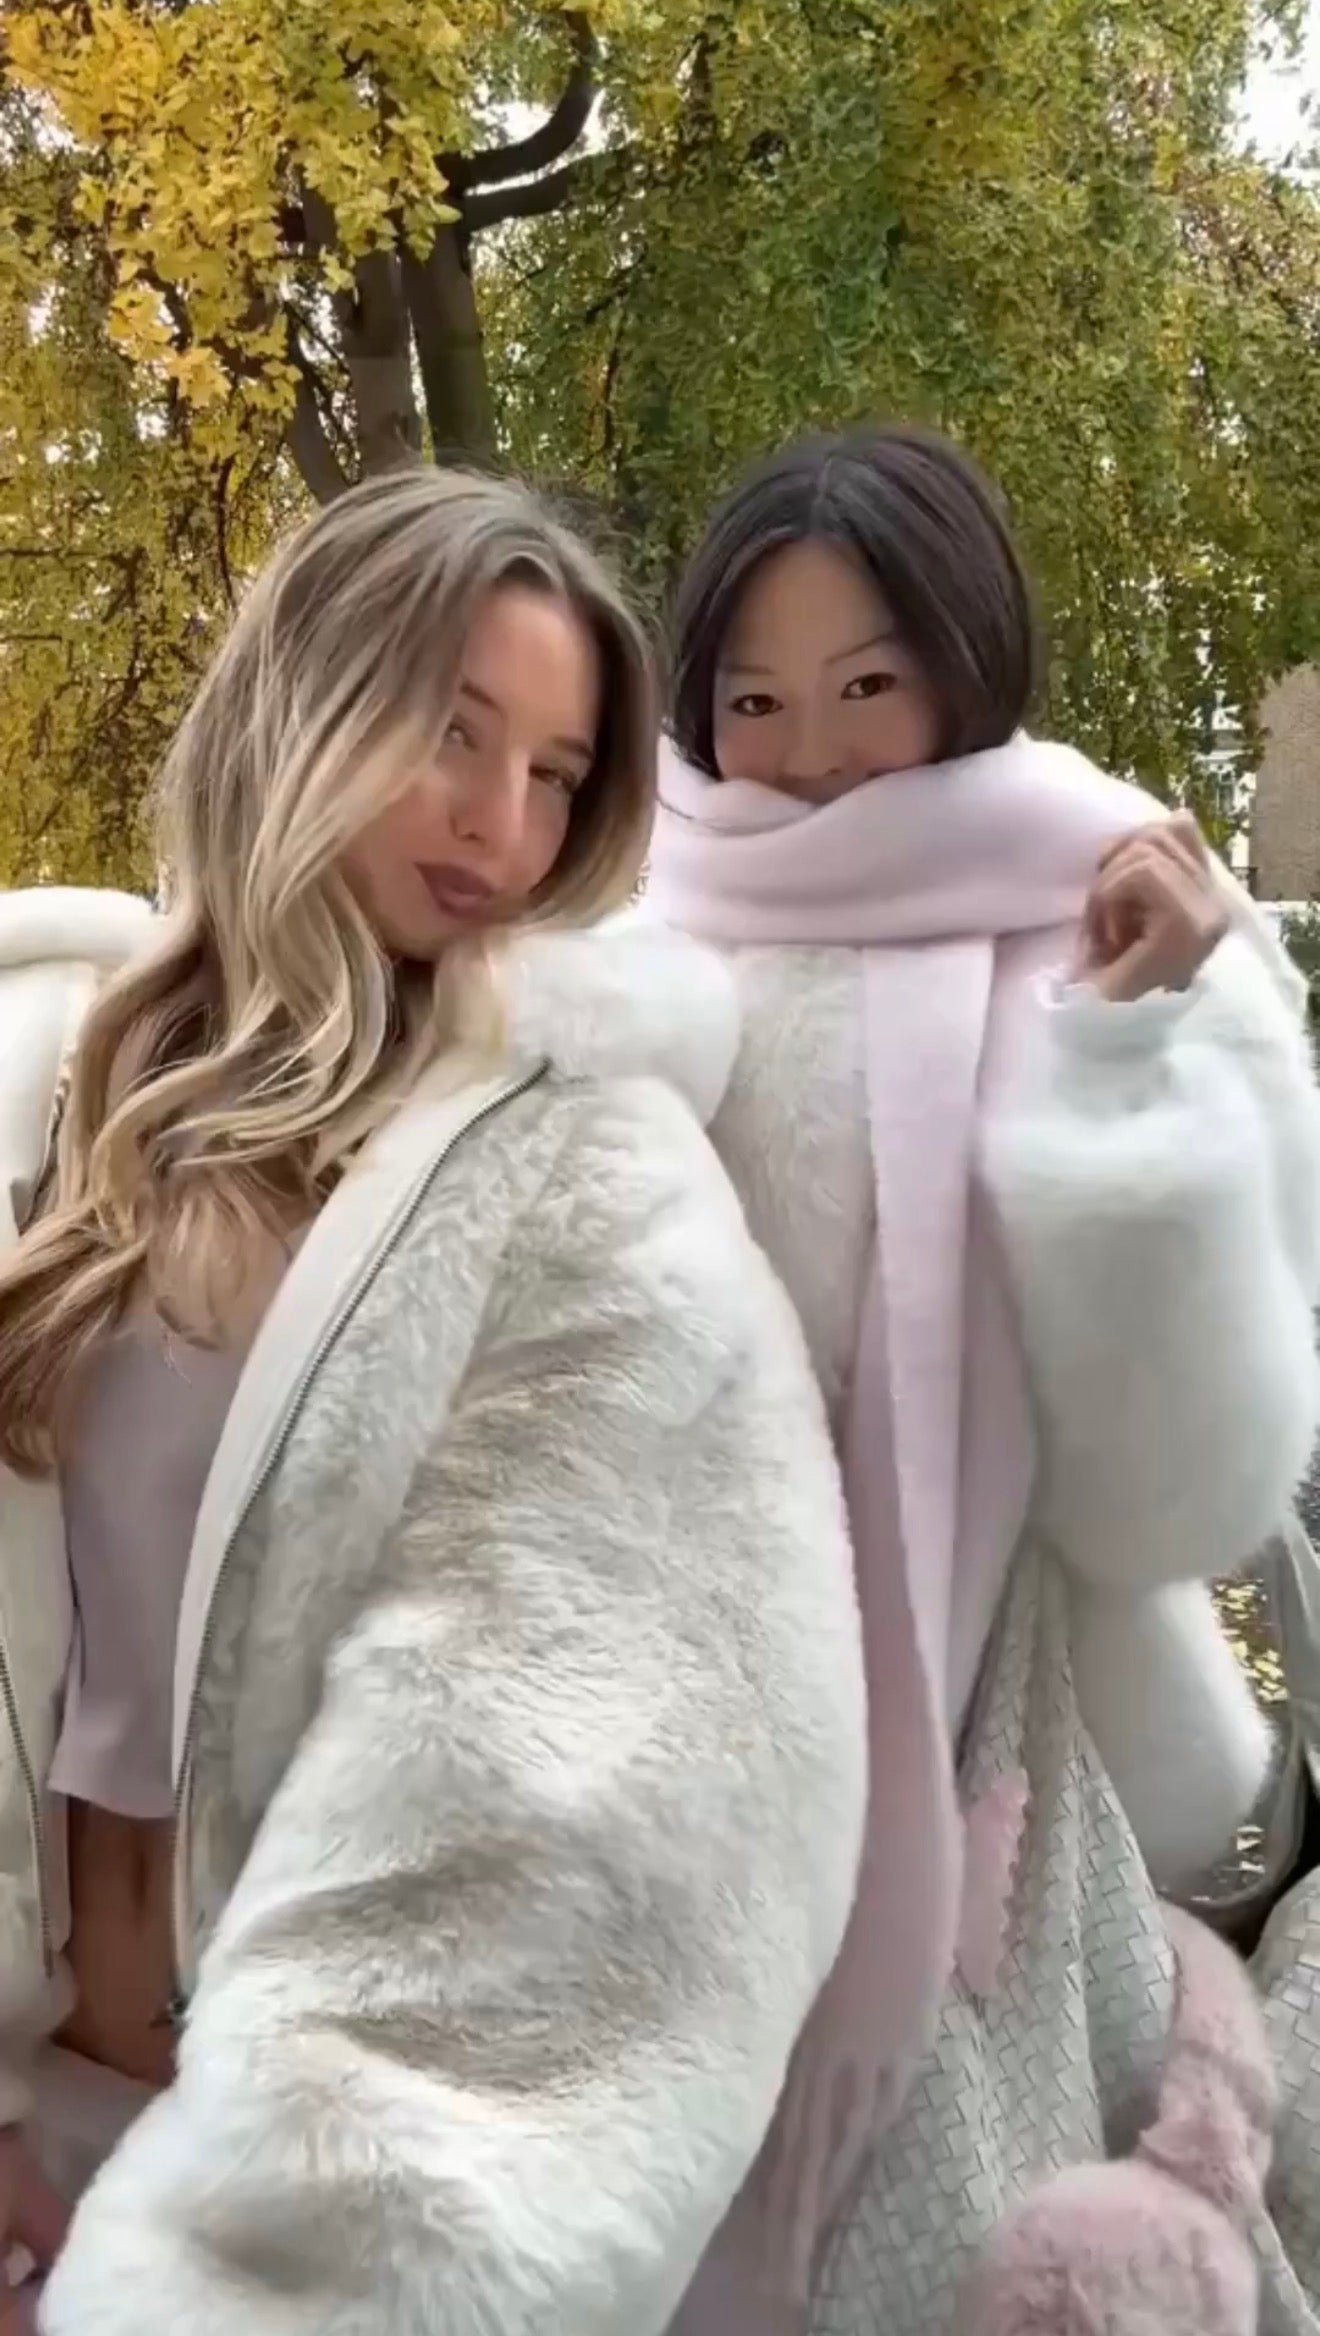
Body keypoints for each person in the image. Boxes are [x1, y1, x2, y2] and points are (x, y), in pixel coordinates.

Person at [0, 468, 868, 2335]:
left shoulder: (568, 1170)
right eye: (452, 733)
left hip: (298, 2202)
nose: (501, 824)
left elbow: (645, 1755)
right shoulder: (54, 1082)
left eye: (558, 773)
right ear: (305, 699)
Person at [643, 425, 1320, 2334]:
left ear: (964, 660)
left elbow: (1184, 1481)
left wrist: (1128, 1053)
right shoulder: (630, 933)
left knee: (943, 2235)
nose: (810, 752)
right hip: (673, 1717)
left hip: (977, 1735)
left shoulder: (1133, 921)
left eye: (868, 685)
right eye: (755, 699)